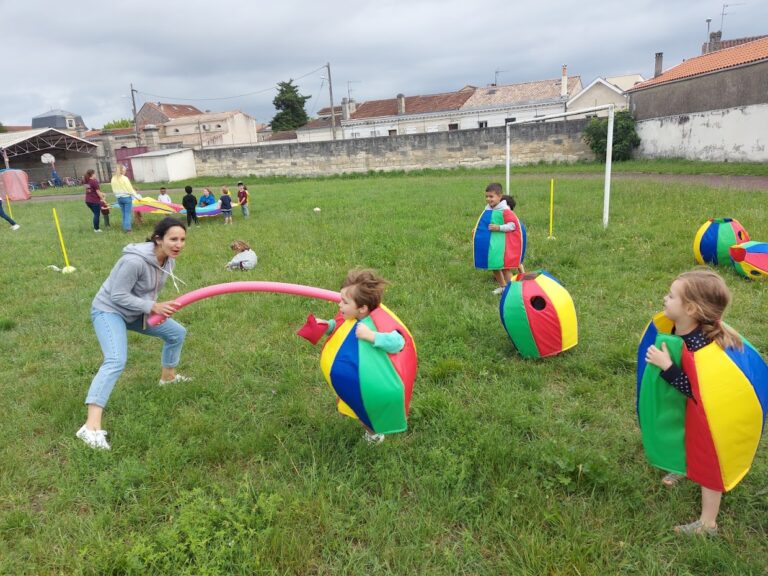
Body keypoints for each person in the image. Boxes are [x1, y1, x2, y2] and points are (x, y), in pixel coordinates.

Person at [644, 269, 760, 535]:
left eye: (671, 296)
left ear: (691, 309)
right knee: (683, 434)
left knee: (711, 465)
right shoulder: (682, 327)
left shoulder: (701, 347)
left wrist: (667, 367)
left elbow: (697, 391)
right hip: (695, 410)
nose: (665, 298)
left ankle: (708, 522)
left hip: (714, 419)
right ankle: (683, 466)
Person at [76, 217, 190, 450]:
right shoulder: (133, 262)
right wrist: (152, 307)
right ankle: (90, 428)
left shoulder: (169, 261)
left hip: (136, 312)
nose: (179, 244)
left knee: (177, 333)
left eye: (182, 239)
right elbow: (118, 295)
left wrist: (152, 306)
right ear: (158, 239)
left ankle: (167, 379)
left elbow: (149, 290)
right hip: (110, 311)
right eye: (173, 239)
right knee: (116, 360)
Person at [316, 269, 408, 444]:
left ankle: (374, 435)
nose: (339, 305)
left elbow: (398, 342)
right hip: (353, 380)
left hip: (370, 386)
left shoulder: (375, 324)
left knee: (365, 414)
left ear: (362, 308)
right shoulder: (350, 315)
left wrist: (372, 336)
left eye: (344, 302)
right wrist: (327, 326)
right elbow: (340, 326)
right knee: (353, 406)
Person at [482, 183, 525, 294]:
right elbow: (485, 223)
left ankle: (513, 290)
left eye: (491, 196)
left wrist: (499, 227)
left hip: (504, 243)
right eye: (486, 196)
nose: (488, 199)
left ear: (499, 197)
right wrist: (477, 230)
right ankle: (503, 286)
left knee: (505, 267)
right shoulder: (488, 209)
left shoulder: (505, 210)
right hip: (493, 243)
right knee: (493, 264)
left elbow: (513, 225)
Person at [110, 164, 142, 233]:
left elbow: (113, 189)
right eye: (125, 170)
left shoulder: (113, 178)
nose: (125, 172)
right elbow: (130, 189)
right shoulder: (124, 178)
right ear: (122, 171)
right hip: (126, 198)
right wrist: (137, 197)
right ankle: (128, 230)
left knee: (124, 213)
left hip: (119, 198)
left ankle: (125, 227)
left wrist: (117, 196)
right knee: (127, 213)